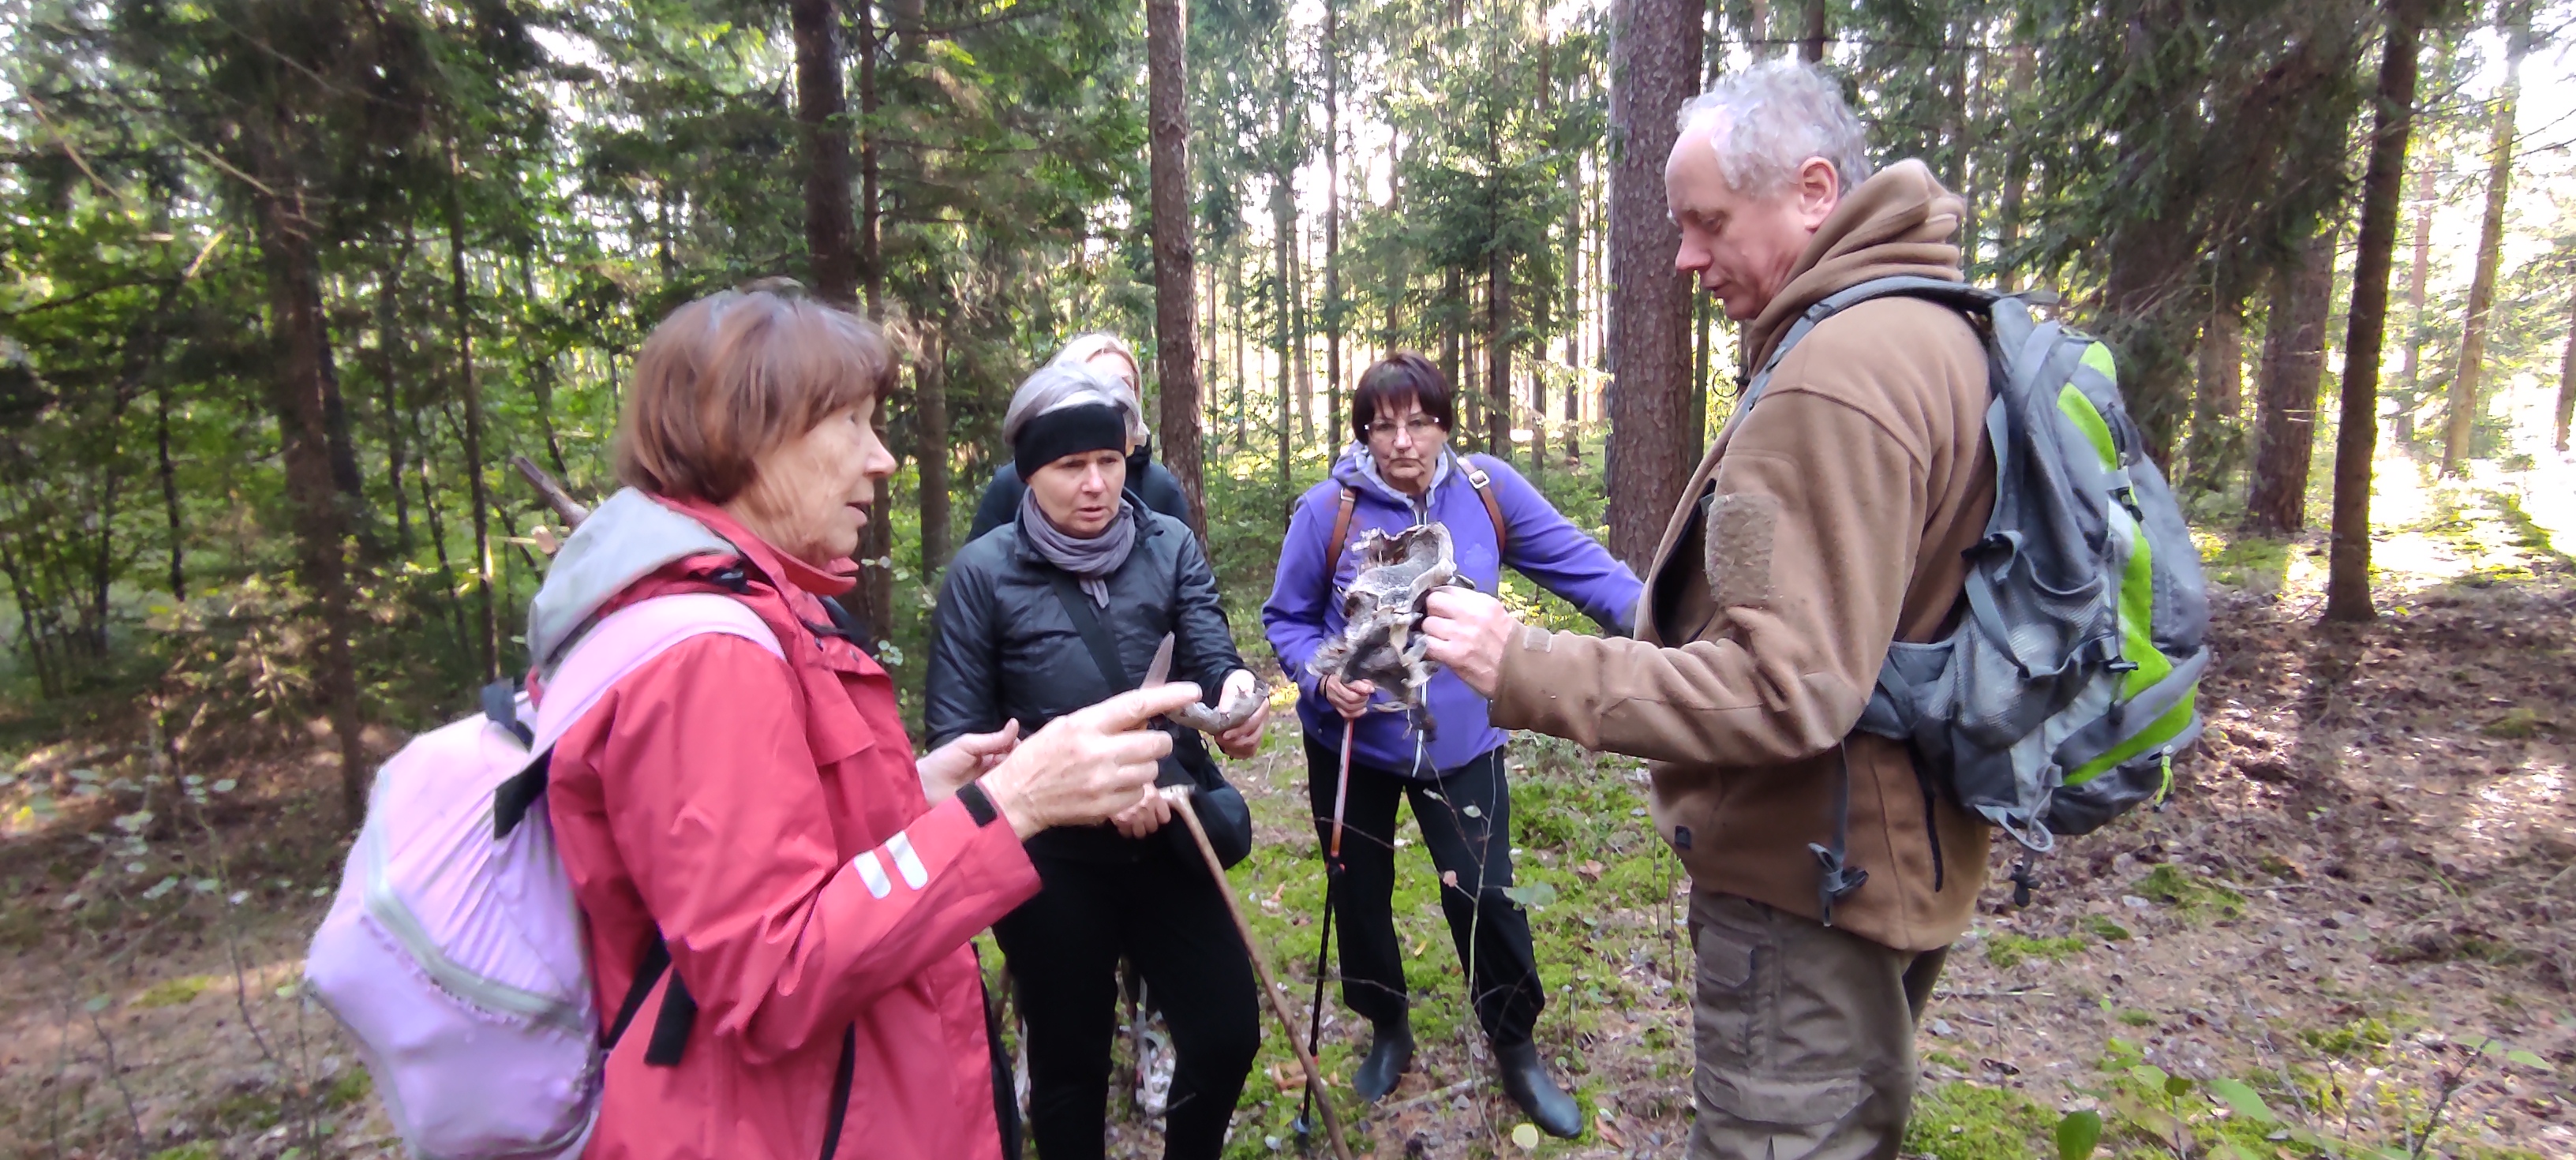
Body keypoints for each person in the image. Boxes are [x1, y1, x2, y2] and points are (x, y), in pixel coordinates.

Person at [1418, 62, 1997, 1158]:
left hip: (1811, 881)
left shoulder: (1834, 380)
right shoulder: (1936, 332)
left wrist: (1524, 663)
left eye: (1708, 223)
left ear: (1814, 191)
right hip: (1900, 853)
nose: (1686, 258)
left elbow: (1783, 683)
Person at [530, 286, 1204, 1160]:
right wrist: (1013, 803)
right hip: (790, 1125)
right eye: (850, 424)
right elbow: (772, 975)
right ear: (752, 435)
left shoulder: (762, 609)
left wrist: (917, 794)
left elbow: (783, 859)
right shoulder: (710, 651)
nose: (881, 459)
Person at [1260, 353, 1642, 1139]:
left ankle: (1516, 1045)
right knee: (1357, 890)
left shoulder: (1485, 493)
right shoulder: (1329, 509)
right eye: (1384, 424)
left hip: (1462, 738)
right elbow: (1288, 619)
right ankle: (1387, 1025)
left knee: (1485, 893)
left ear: (1443, 423)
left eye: (1420, 421)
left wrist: (1666, 623)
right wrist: (1319, 676)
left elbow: (1585, 570)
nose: (1403, 440)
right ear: (1365, 428)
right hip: (1353, 742)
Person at [925, 362, 1268, 1160]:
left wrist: (1234, 696)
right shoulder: (984, 575)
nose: (1095, 484)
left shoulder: (1166, 542)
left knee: (1225, 1037)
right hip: (1051, 858)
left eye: (1108, 462)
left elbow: (1211, 650)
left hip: (1169, 831)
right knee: (1069, 1066)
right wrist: (1075, 790)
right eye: (1069, 466)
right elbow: (958, 739)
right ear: (1028, 475)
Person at [966, 333, 1190, 542]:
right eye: (1094, 382)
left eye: (1123, 384)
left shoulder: (1160, 488)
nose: (1110, 395)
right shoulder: (1011, 484)